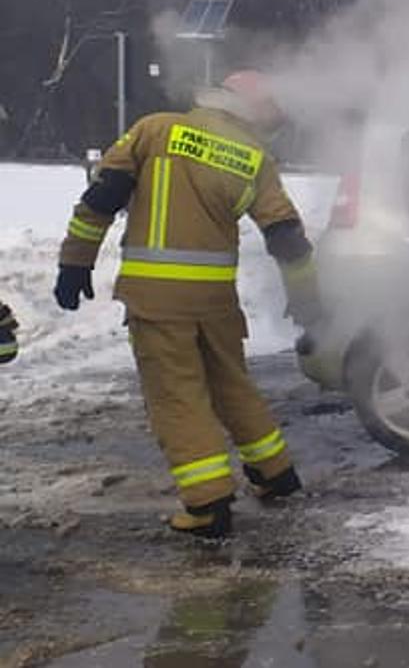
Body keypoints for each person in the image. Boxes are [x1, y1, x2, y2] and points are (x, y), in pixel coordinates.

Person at [54, 71, 321, 539]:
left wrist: (75, 263)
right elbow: (287, 238)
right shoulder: (254, 158)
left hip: (156, 299)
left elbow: (102, 198)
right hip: (216, 300)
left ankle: (207, 503)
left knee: (177, 398)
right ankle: (275, 473)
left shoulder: (156, 129)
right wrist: (306, 296)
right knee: (232, 386)